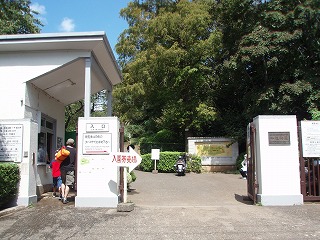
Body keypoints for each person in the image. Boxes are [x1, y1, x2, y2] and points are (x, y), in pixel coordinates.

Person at [60, 138, 77, 204]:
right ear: (73, 144)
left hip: (62, 168)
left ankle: (62, 195)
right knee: (69, 184)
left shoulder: (63, 149)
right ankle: (65, 198)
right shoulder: (74, 151)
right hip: (70, 168)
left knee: (63, 182)